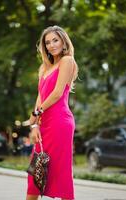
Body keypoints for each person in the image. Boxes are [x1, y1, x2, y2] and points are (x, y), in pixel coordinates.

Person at [26, 25, 78, 200]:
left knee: (61, 174)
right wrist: (34, 124)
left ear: (63, 41)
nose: (51, 45)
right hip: (44, 123)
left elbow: (56, 93)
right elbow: (40, 97)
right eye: (47, 42)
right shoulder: (44, 68)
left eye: (55, 40)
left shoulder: (67, 61)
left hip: (60, 122)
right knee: (34, 174)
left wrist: (37, 112)